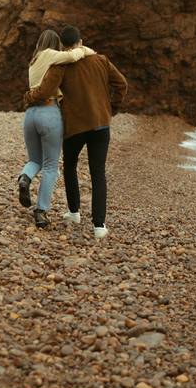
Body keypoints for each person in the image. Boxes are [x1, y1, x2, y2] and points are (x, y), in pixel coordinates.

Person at [23, 26, 127, 239]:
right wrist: (111, 108)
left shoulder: (61, 66)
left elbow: (44, 91)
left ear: (63, 46)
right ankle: (99, 226)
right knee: (98, 172)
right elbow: (121, 84)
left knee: (70, 166)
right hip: (101, 124)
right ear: (80, 41)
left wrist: (28, 98)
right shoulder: (101, 60)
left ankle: (74, 212)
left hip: (75, 127)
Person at [18, 30, 95, 228]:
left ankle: (25, 178)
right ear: (54, 43)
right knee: (51, 166)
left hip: (30, 115)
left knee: (35, 160)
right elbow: (74, 55)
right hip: (49, 112)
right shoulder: (51, 54)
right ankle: (40, 211)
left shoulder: (33, 61)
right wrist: (84, 48)